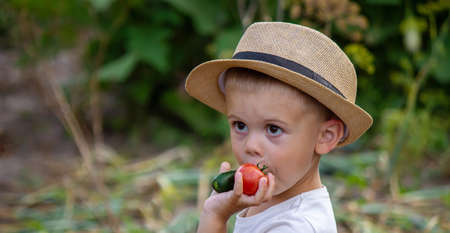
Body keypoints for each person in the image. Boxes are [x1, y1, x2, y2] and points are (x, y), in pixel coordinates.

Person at [184, 22, 373, 233]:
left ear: (325, 136)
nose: (251, 145)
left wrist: (216, 219)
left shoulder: (296, 227)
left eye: (273, 129)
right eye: (240, 125)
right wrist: (214, 213)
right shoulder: (268, 202)